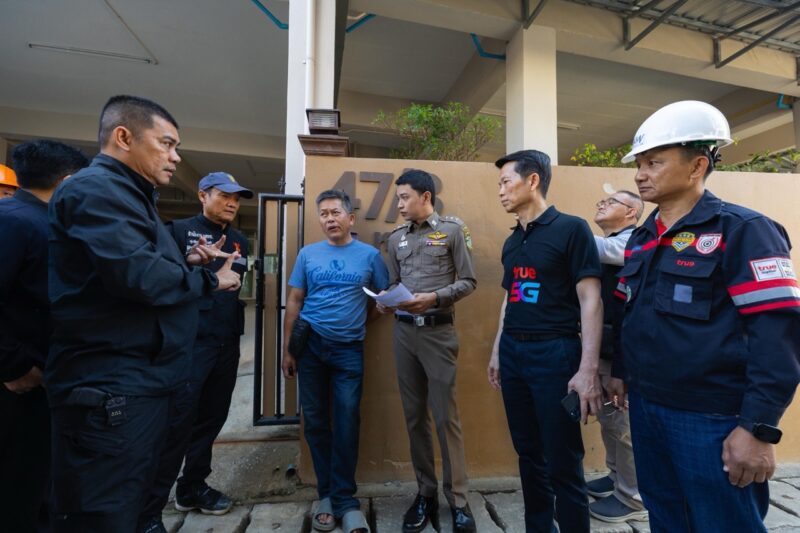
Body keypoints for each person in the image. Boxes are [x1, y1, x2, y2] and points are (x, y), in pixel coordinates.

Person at [47, 94, 241, 532]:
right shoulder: (96, 190)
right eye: (166, 144)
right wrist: (211, 280)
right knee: (106, 511)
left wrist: (186, 263)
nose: (175, 157)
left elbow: (130, 267)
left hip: (141, 381)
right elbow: (139, 277)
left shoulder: (129, 196)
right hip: (113, 385)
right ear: (123, 137)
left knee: (134, 497)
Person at [610, 100, 800, 532]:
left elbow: (778, 336)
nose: (640, 174)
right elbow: (628, 312)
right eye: (638, 164)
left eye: (654, 162)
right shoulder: (642, 237)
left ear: (697, 166)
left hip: (711, 418)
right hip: (647, 408)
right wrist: (620, 371)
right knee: (666, 519)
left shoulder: (744, 230)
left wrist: (758, 428)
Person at [487, 149, 603, 533]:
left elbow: (590, 299)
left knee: (563, 458)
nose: (500, 190)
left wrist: (588, 370)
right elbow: (511, 297)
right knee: (528, 453)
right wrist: (497, 350)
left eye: (506, 182)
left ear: (532, 180)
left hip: (555, 352)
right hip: (513, 352)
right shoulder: (512, 241)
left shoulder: (571, 229)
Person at [140, 172, 252, 531]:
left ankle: (192, 487)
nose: (232, 203)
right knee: (176, 425)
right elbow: (159, 282)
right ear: (203, 195)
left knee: (212, 418)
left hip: (225, 342)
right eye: (224, 195)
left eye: (237, 198)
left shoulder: (238, 240)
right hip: (189, 345)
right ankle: (149, 512)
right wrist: (191, 263)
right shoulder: (176, 232)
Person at [282, 189, 388, 533]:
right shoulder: (308, 254)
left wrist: (361, 320)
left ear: (350, 218)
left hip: (348, 350)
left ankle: (345, 498)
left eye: (335, 213)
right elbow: (295, 300)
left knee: (346, 421)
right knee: (315, 421)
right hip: (310, 347)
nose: (329, 219)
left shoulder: (370, 256)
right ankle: (326, 495)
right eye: (324, 214)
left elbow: (381, 299)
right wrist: (288, 350)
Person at [380, 169, 477, 533]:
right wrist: (386, 300)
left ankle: (459, 500)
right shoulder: (396, 239)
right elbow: (394, 282)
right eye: (398, 198)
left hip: (438, 333)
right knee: (414, 416)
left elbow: (469, 281)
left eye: (404, 197)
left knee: (445, 417)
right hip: (404, 334)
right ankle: (425, 493)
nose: (399, 204)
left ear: (425, 196)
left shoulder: (452, 231)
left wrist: (435, 297)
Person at [0, 140, 88, 533]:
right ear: (68, 182)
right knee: (18, 492)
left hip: (42, 382)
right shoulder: (13, 221)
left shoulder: (45, 222)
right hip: (17, 386)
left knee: (41, 489)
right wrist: (13, 366)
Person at [586, 189, 648, 523]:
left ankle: (634, 498)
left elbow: (594, 246)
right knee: (609, 420)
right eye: (601, 200)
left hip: (622, 354)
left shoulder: (634, 243)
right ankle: (616, 478)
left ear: (631, 212)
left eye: (611, 202)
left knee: (623, 426)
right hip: (604, 348)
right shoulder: (613, 243)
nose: (601, 204)